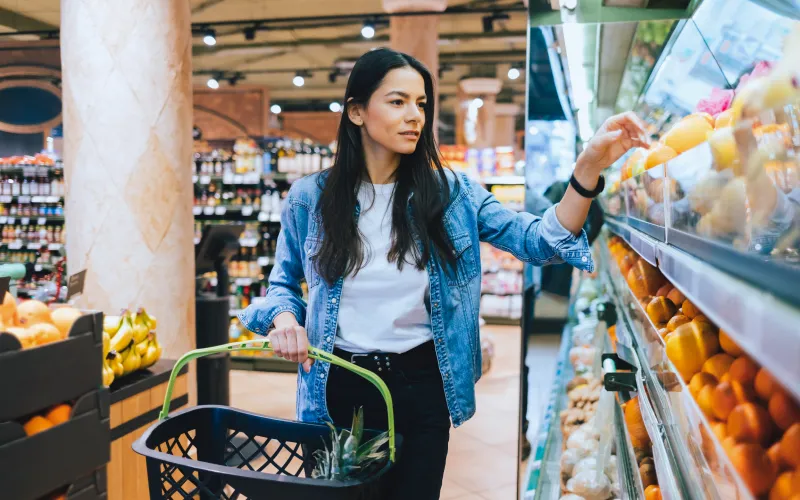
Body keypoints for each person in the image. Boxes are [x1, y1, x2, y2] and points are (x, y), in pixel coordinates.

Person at [238, 48, 648, 499]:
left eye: (420, 103)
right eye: (397, 102)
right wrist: (284, 319)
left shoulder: (451, 193)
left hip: (423, 385)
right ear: (357, 111)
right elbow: (282, 283)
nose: (415, 116)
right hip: (339, 386)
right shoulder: (308, 198)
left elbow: (539, 241)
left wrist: (587, 167)